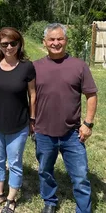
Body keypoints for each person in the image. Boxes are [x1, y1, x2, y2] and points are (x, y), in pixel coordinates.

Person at [33, 23, 98, 213]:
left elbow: (91, 95)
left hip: (72, 133)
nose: (56, 43)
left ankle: (83, 209)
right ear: (44, 42)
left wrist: (88, 123)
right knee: (45, 171)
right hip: (43, 131)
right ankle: (50, 201)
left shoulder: (79, 65)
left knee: (80, 176)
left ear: (66, 41)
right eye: (52, 39)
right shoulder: (35, 67)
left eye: (60, 39)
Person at [0, 27, 36, 213]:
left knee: (14, 162)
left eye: (13, 43)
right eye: (4, 43)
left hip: (19, 123)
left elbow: (33, 94)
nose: (9, 47)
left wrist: (32, 118)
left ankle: (11, 199)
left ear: (19, 43)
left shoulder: (26, 66)